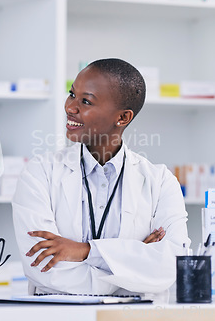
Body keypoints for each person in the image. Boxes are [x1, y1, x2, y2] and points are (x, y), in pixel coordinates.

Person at [12, 58, 190, 295]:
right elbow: (44, 267)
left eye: (86, 101)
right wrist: (132, 263)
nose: (70, 107)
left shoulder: (160, 181)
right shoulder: (39, 173)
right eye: (71, 94)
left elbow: (171, 266)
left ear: (123, 118)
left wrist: (84, 251)